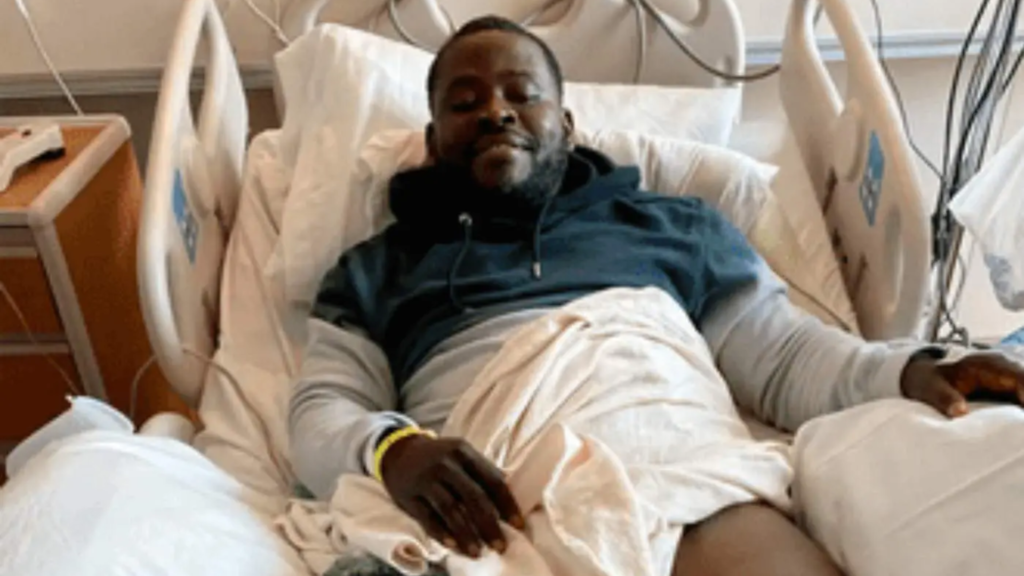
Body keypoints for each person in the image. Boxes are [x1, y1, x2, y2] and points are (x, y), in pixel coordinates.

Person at [290, 15, 1024, 576]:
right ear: (431, 140)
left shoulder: (674, 227)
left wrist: (910, 368)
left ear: (567, 127)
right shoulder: (376, 269)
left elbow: (784, 359)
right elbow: (323, 412)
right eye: (464, 101)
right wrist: (393, 451)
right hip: (493, 500)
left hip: (682, 468)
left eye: (522, 94)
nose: (495, 112)